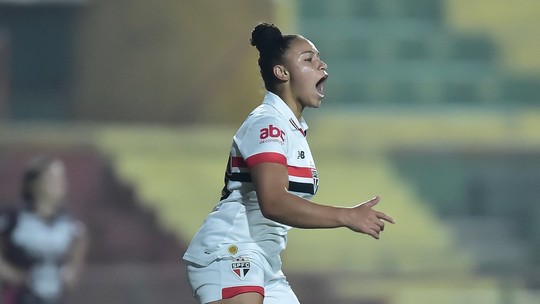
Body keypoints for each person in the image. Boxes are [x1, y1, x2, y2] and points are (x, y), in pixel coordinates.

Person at [183, 23, 395, 304]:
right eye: (308, 59)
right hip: (232, 251)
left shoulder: (291, 129)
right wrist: (347, 216)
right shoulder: (267, 122)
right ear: (281, 72)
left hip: (264, 261)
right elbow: (273, 201)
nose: (321, 64)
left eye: (318, 58)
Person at [0, 156, 88, 304]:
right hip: (20, 297)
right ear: (34, 183)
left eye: (62, 179)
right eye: (52, 179)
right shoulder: (14, 217)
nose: (59, 184)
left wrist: (72, 270)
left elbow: (80, 239)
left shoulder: (68, 222)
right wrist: (10, 273)